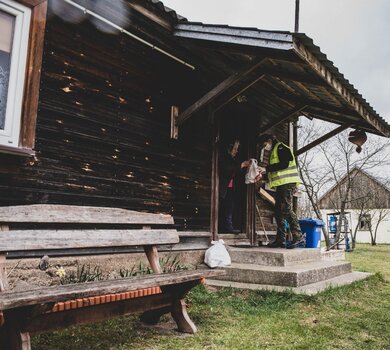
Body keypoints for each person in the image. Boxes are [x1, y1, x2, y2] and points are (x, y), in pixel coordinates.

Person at [257, 134, 305, 249]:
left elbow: (285, 164)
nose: (264, 147)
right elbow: (276, 170)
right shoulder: (275, 151)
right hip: (281, 185)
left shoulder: (281, 148)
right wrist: (263, 174)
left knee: (286, 209)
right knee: (278, 211)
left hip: (287, 184)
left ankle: (298, 237)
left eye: (264, 144)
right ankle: (281, 240)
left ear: (269, 140)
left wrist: (266, 168)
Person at [219, 140, 250, 233]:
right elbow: (227, 169)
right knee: (225, 207)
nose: (236, 151)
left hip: (231, 188)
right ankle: (225, 228)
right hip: (223, 187)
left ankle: (228, 227)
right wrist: (241, 165)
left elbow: (236, 171)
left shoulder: (233, 160)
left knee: (230, 207)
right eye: (235, 149)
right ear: (229, 149)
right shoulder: (224, 158)